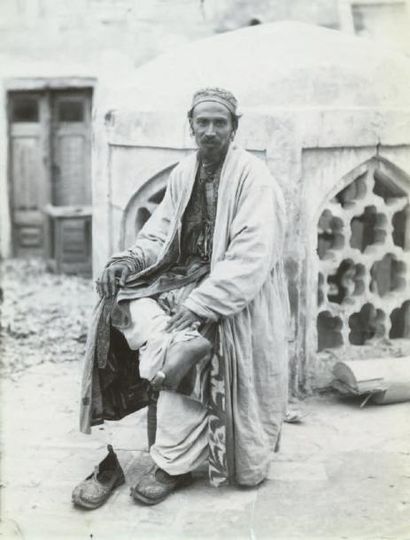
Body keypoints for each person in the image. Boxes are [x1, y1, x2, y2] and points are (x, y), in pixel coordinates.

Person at [73, 87, 289, 509]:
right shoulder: (184, 172)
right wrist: (130, 260)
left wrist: (200, 306)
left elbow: (250, 258)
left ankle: (170, 464)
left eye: (219, 123)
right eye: (202, 122)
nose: (209, 131)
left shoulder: (254, 179)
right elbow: (159, 232)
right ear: (190, 125)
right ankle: (163, 353)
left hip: (231, 296)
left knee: (196, 350)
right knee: (114, 307)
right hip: (181, 279)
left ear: (234, 128)